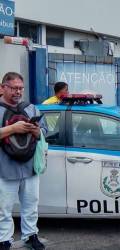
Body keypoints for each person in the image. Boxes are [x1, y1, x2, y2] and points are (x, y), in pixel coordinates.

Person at [0, 72, 46, 250]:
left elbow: (44, 131)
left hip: (29, 166)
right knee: (4, 208)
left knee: (31, 204)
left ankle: (30, 235)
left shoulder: (31, 108)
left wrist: (36, 131)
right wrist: (13, 128)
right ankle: (4, 239)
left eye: (20, 88)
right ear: (3, 87)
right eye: (13, 88)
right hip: (4, 167)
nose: (18, 92)